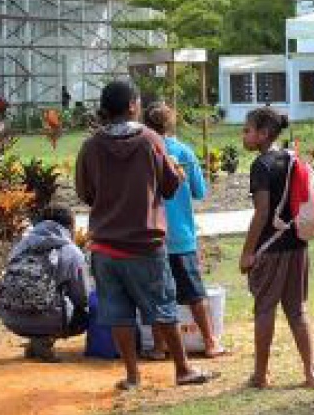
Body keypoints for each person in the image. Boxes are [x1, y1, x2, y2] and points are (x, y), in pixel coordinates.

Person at [74, 80, 211, 390]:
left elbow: (85, 193)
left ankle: (133, 376)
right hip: (145, 243)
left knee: (118, 313)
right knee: (162, 306)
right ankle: (183, 370)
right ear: (133, 106)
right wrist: (175, 173)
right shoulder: (150, 140)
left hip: (105, 245)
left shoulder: (91, 146)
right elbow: (168, 185)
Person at [238, 107, 314, 389]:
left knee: (264, 310)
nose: (243, 135)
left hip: (270, 248)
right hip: (297, 244)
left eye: (246, 130)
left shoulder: (261, 165)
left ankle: (261, 376)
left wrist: (247, 252)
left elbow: (262, 213)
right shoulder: (289, 158)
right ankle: (310, 373)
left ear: (262, 135)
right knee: (297, 311)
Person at [143, 104, 226, 360]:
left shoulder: (143, 154)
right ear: (171, 124)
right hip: (181, 236)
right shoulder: (184, 153)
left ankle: (159, 347)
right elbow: (199, 192)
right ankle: (210, 342)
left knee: (157, 294)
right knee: (194, 293)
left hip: (152, 235)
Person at [0, 204, 89, 362]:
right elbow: (81, 296)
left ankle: (36, 339)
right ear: (69, 227)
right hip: (49, 320)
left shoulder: (21, 246)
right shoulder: (71, 251)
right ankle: (44, 339)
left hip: (10, 318)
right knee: (87, 314)